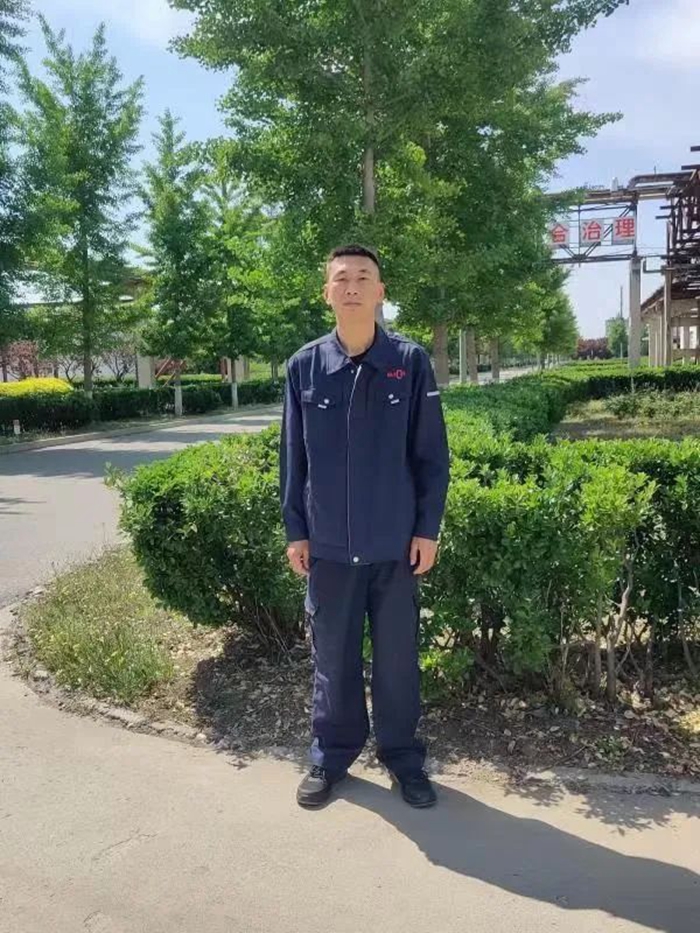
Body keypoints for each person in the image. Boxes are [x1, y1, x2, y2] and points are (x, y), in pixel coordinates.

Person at [280, 243, 450, 809]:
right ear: (326, 292)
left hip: (395, 547)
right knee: (333, 662)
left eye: (362, 277)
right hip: (329, 548)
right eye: (341, 278)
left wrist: (427, 529)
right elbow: (292, 458)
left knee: (398, 663)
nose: (351, 286)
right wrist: (296, 530)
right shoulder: (304, 367)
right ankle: (331, 757)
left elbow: (431, 455)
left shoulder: (410, 361)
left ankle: (404, 760)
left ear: (380, 292)